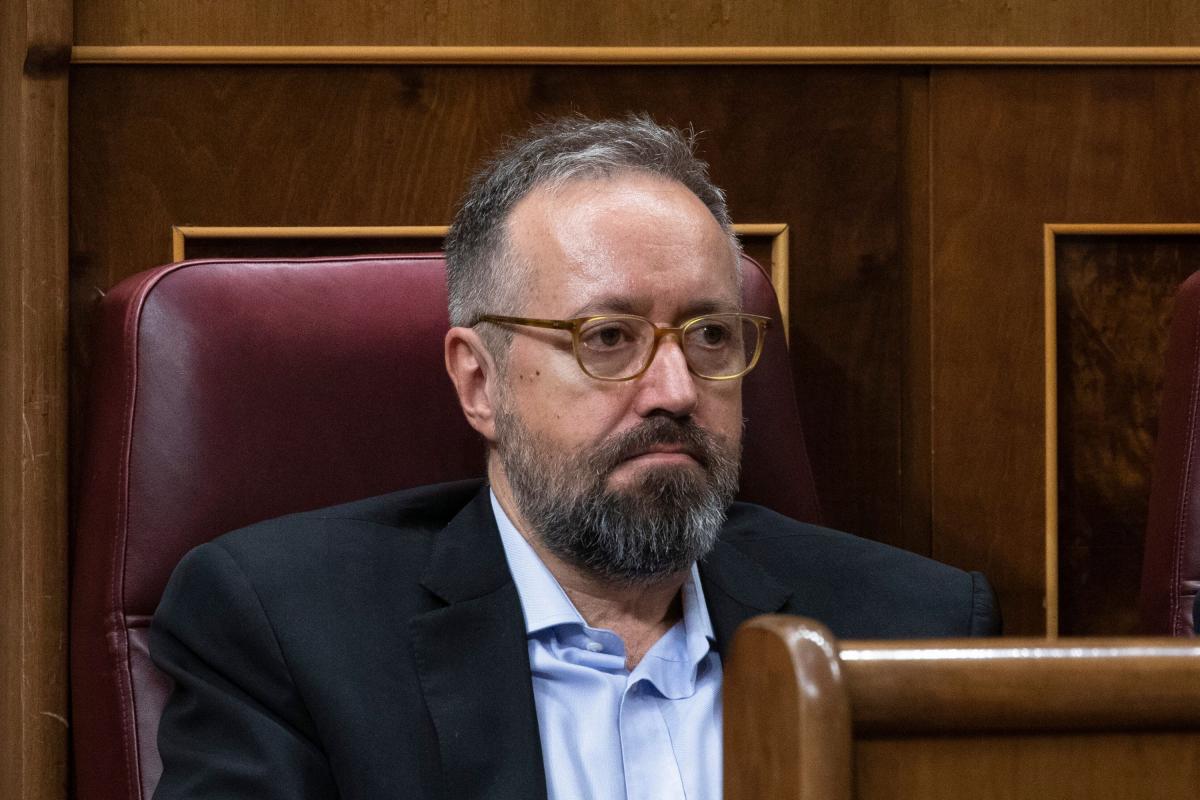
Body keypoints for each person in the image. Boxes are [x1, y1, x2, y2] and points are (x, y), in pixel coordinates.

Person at [150, 114, 999, 800]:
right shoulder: (291, 634)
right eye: (608, 338)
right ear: (479, 381)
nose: (675, 389)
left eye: (709, 334)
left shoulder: (910, 630)